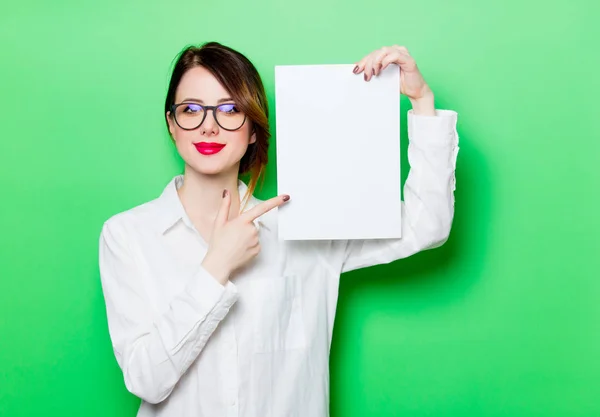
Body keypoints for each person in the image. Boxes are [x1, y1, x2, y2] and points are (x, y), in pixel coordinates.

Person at [98, 41, 459, 417]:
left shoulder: (308, 223)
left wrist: (421, 100)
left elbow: (426, 224)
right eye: (190, 110)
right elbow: (146, 381)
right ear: (172, 124)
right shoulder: (127, 235)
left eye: (230, 109)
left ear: (254, 129)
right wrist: (216, 266)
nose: (209, 125)